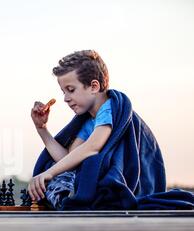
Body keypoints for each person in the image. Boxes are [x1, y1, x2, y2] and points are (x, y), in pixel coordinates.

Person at [29, 50, 194, 210]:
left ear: (94, 86)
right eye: (63, 92)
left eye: (71, 90)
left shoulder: (109, 110)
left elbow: (92, 147)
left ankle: (74, 198)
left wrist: (49, 173)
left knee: (74, 172)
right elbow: (69, 159)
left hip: (126, 181)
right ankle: (71, 197)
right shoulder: (88, 121)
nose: (65, 98)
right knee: (60, 177)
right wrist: (42, 128)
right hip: (95, 179)